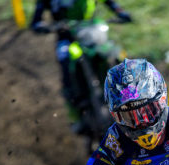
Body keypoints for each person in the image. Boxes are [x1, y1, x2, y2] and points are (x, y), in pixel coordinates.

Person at [30, 0, 132, 135]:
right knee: (66, 63)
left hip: (93, 33)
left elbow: (110, 2)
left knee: (117, 54)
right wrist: (41, 25)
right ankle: (75, 114)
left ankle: (133, 94)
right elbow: (36, 20)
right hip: (67, 39)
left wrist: (121, 12)